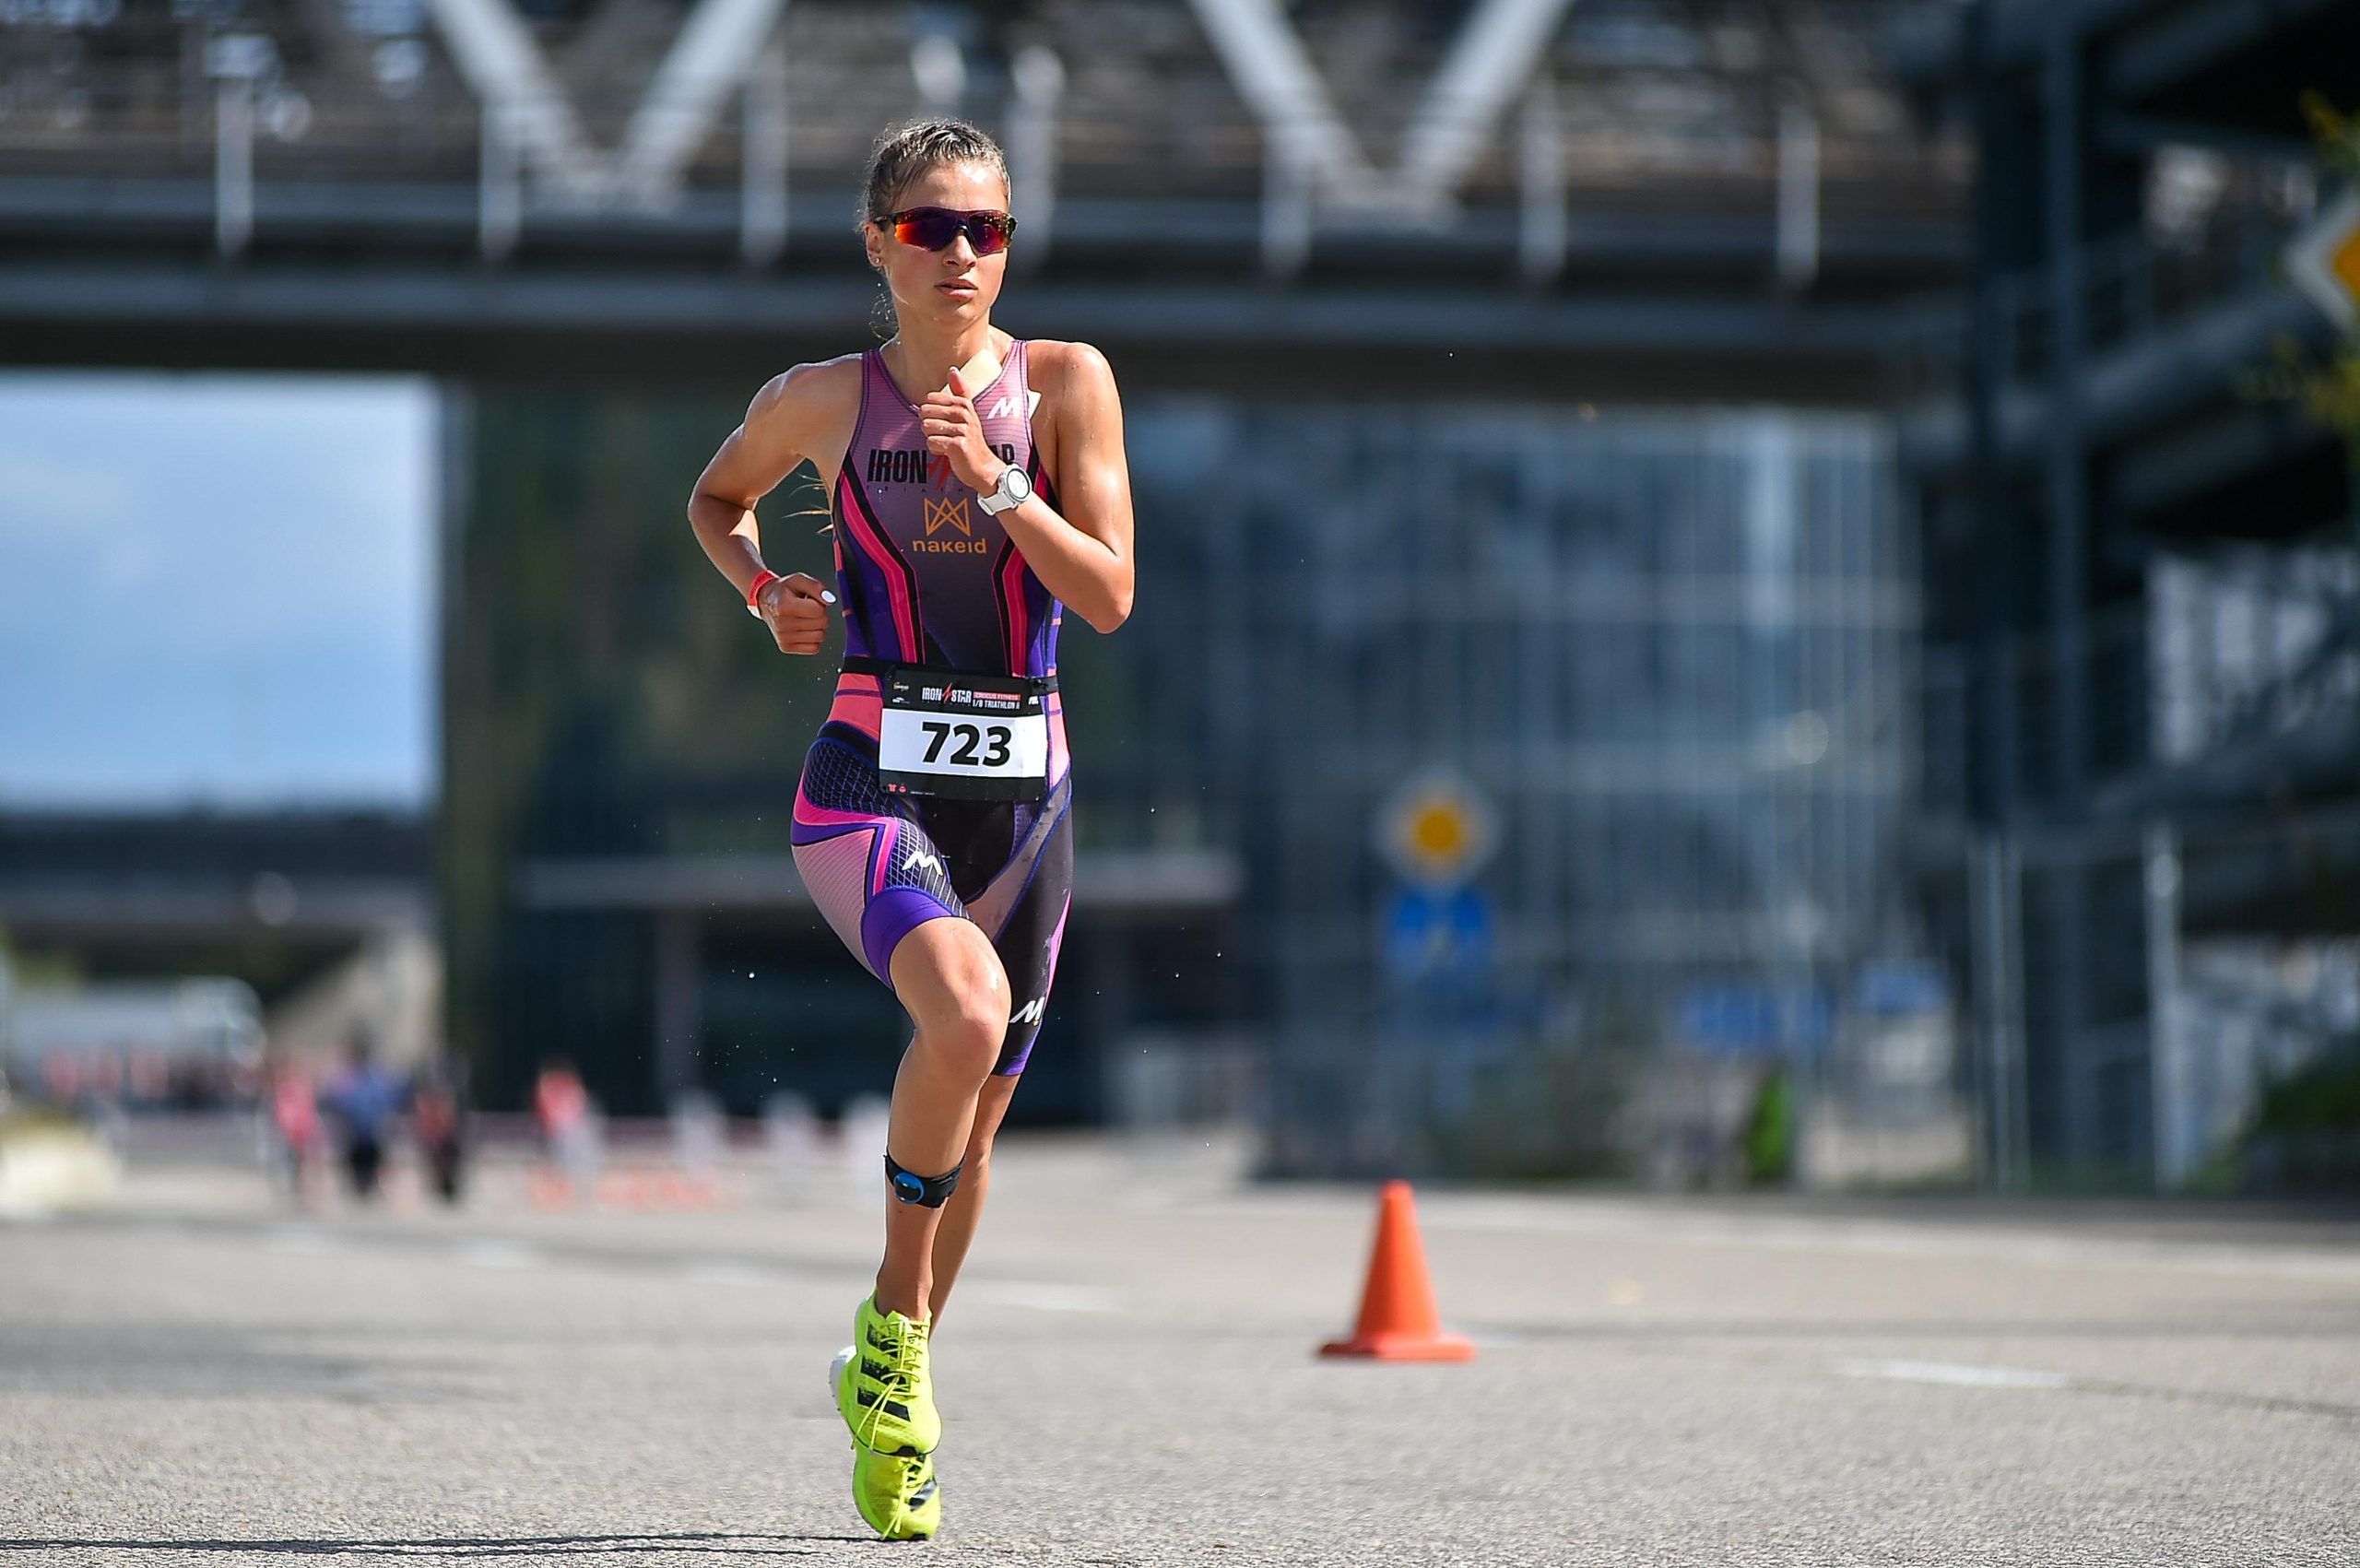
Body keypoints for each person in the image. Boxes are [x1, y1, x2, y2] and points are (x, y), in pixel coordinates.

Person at [686, 117, 1134, 1541]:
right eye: (932, 228)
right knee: (960, 1013)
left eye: (987, 231)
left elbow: (1112, 595)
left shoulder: (1064, 385)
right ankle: (896, 1339)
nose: (961, 256)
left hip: (1025, 788)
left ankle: (895, 1360)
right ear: (879, 242)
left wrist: (1000, 482)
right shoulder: (823, 400)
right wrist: (768, 598)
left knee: (982, 1113)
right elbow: (715, 500)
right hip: (869, 765)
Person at [316, 1032, 406, 1201]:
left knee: (368, 1163)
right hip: (356, 1133)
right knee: (358, 1166)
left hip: (370, 1133)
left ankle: (368, 1186)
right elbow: (337, 1099)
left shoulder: (375, 1076)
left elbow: (390, 1099)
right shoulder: (351, 1076)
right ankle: (362, 1186)